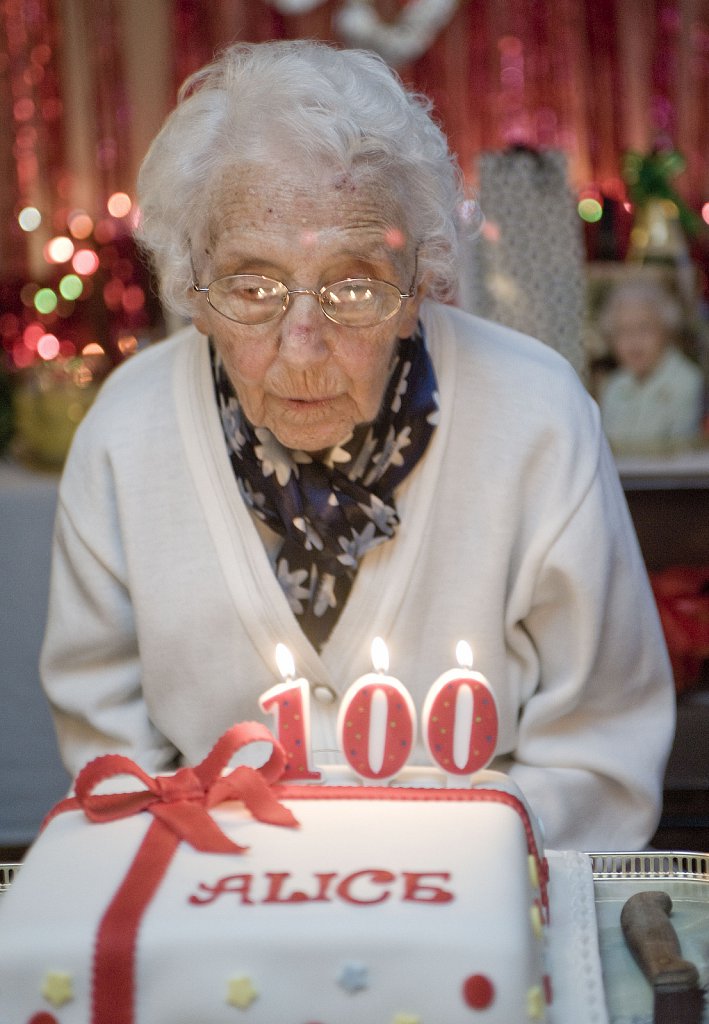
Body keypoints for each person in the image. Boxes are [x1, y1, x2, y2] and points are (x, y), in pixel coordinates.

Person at [40, 40, 674, 851]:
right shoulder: (126, 434)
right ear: (191, 291)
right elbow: (111, 759)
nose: (302, 347)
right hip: (215, 909)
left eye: (354, 285)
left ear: (420, 285)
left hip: (483, 910)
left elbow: (601, 752)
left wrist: (429, 877)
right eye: (252, 286)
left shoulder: (536, 417)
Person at [598, 278, 705, 455]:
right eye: (623, 331)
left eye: (644, 328)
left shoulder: (687, 380)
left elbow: (677, 451)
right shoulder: (614, 385)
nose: (634, 341)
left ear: (666, 330)